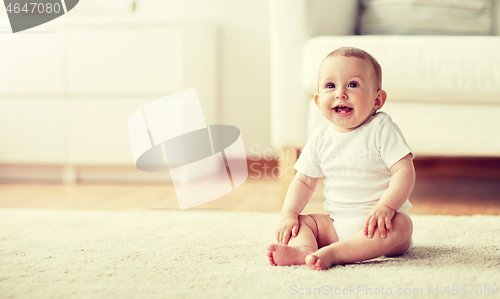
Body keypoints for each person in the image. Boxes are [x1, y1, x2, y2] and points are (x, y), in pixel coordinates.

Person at [267, 47, 415, 270]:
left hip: (380, 224)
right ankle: (304, 250)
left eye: (353, 84)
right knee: (303, 222)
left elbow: (404, 171)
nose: (340, 93)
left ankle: (335, 254)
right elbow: (303, 181)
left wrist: (387, 206)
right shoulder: (321, 136)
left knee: (403, 226)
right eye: (330, 86)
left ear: (377, 100)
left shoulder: (381, 127)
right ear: (318, 101)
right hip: (336, 226)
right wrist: (289, 214)